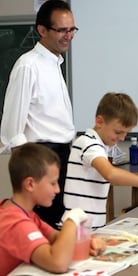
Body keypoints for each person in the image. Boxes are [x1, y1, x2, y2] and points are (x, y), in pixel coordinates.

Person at [0, 0, 78, 229]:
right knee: (43, 228)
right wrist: (31, 173)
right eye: (62, 30)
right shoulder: (28, 66)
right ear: (42, 30)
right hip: (40, 159)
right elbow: (12, 132)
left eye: (72, 29)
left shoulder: (54, 63)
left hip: (60, 156)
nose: (69, 36)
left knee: (56, 225)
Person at [0, 143, 106, 274]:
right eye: (53, 183)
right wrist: (72, 219)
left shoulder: (25, 213)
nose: (57, 190)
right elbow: (58, 263)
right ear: (30, 184)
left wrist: (88, 242)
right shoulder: (14, 222)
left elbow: (57, 237)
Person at [64, 92, 138, 229]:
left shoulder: (99, 146)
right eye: (118, 132)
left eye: (125, 133)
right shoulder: (87, 143)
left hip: (91, 229)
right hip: (77, 231)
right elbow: (111, 174)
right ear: (99, 122)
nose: (122, 138)